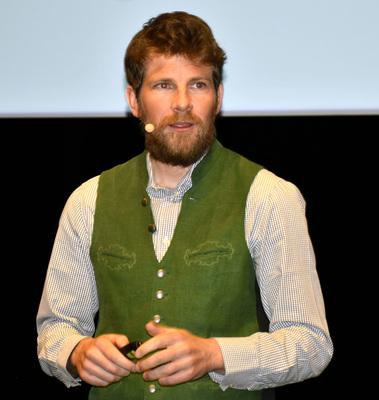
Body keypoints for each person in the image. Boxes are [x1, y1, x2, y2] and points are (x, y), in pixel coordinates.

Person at [37, 11, 333, 399]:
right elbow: (55, 329)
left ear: (218, 98)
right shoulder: (88, 200)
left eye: (198, 85)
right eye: (163, 85)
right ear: (134, 100)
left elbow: (310, 344)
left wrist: (214, 354)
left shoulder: (268, 196)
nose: (181, 103)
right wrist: (78, 352)